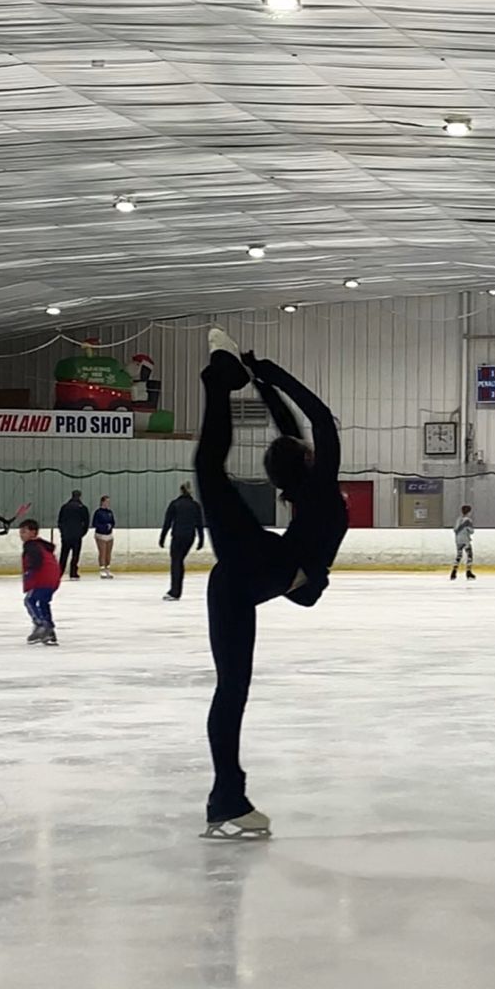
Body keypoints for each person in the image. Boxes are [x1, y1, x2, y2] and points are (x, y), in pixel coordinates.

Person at [195, 328, 348, 840]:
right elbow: (317, 420)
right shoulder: (319, 487)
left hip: (247, 572)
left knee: (209, 471)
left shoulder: (307, 488)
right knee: (231, 689)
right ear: (305, 459)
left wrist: (260, 377)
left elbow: (296, 426)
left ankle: (220, 378)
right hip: (266, 570)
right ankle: (226, 799)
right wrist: (265, 374)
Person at [19, 518, 61, 646]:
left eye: (24, 532)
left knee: (29, 600)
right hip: (53, 579)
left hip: (43, 578)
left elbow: (36, 561)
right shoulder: (41, 545)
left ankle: (42, 625)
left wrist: (29, 572)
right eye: (20, 532)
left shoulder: (31, 545)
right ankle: (50, 630)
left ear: (33, 533)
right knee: (43, 603)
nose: (21, 535)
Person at [159, 483, 204, 601]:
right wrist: (201, 539)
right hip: (189, 537)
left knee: (176, 562)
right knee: (179, 561)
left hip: (178, 536)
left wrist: (162, 538)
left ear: (181, 491)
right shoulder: (195, 505)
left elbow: (168, 522)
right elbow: (199, 524)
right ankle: (176, 590)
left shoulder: (175, 504)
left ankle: (175, 591)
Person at [57, 490, 90, 580]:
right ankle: (73, 572)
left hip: (66, 535)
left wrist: (62, 532)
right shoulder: (82, 508)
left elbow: (60, 521)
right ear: (80, 496)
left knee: (64, 554)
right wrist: (82, 533)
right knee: (75, 555)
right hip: (77, 535)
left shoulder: (64, 507)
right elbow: (86, 522)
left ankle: (59, 572)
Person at [92, 495, 116, 579]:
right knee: (102, 552)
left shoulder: (110, 512)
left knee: (108, 553)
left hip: (109, 534)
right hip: (100, 535)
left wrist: (110, 526)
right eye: (106, 501)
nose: (108, 503)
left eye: (108, 502)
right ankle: (102, 569)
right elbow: (94, 523)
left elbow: (113, 522)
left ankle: (107, 568)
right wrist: (104, 527)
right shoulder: (98, 512)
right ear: (102, 502)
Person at [451, 504, 476, 580]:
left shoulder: (458, 520)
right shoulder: (468, 520)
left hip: (458, 540)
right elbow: (471, 531)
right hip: (465, 540)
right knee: (469, 555)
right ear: (469, 512)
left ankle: (454, 572)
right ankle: (468, 572)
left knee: (458, 556)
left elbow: (455, 529)